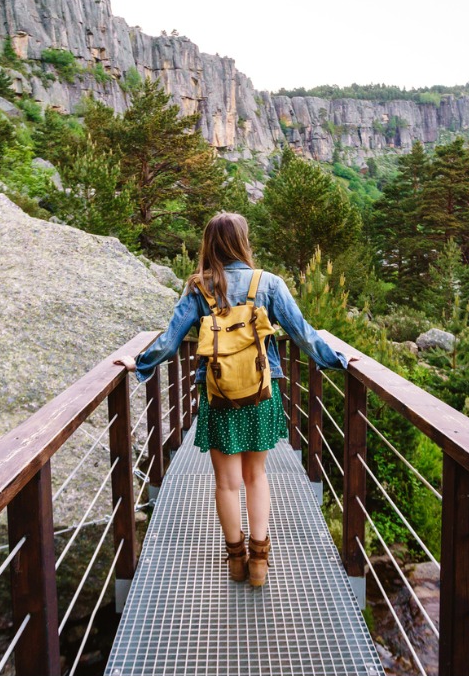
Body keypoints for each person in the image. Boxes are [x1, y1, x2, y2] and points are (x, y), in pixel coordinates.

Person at [116, 212, 349, 587]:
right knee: (256, 476)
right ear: (243, 241)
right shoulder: (268, 283)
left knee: (226, 483)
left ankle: (236, 559)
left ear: (209, 244)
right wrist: (337, 360)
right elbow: (302, 334)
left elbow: (171, 340)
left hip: (218, 395)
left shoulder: (198, 287)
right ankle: (259, 561)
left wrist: (139, 363)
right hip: (260, 392)